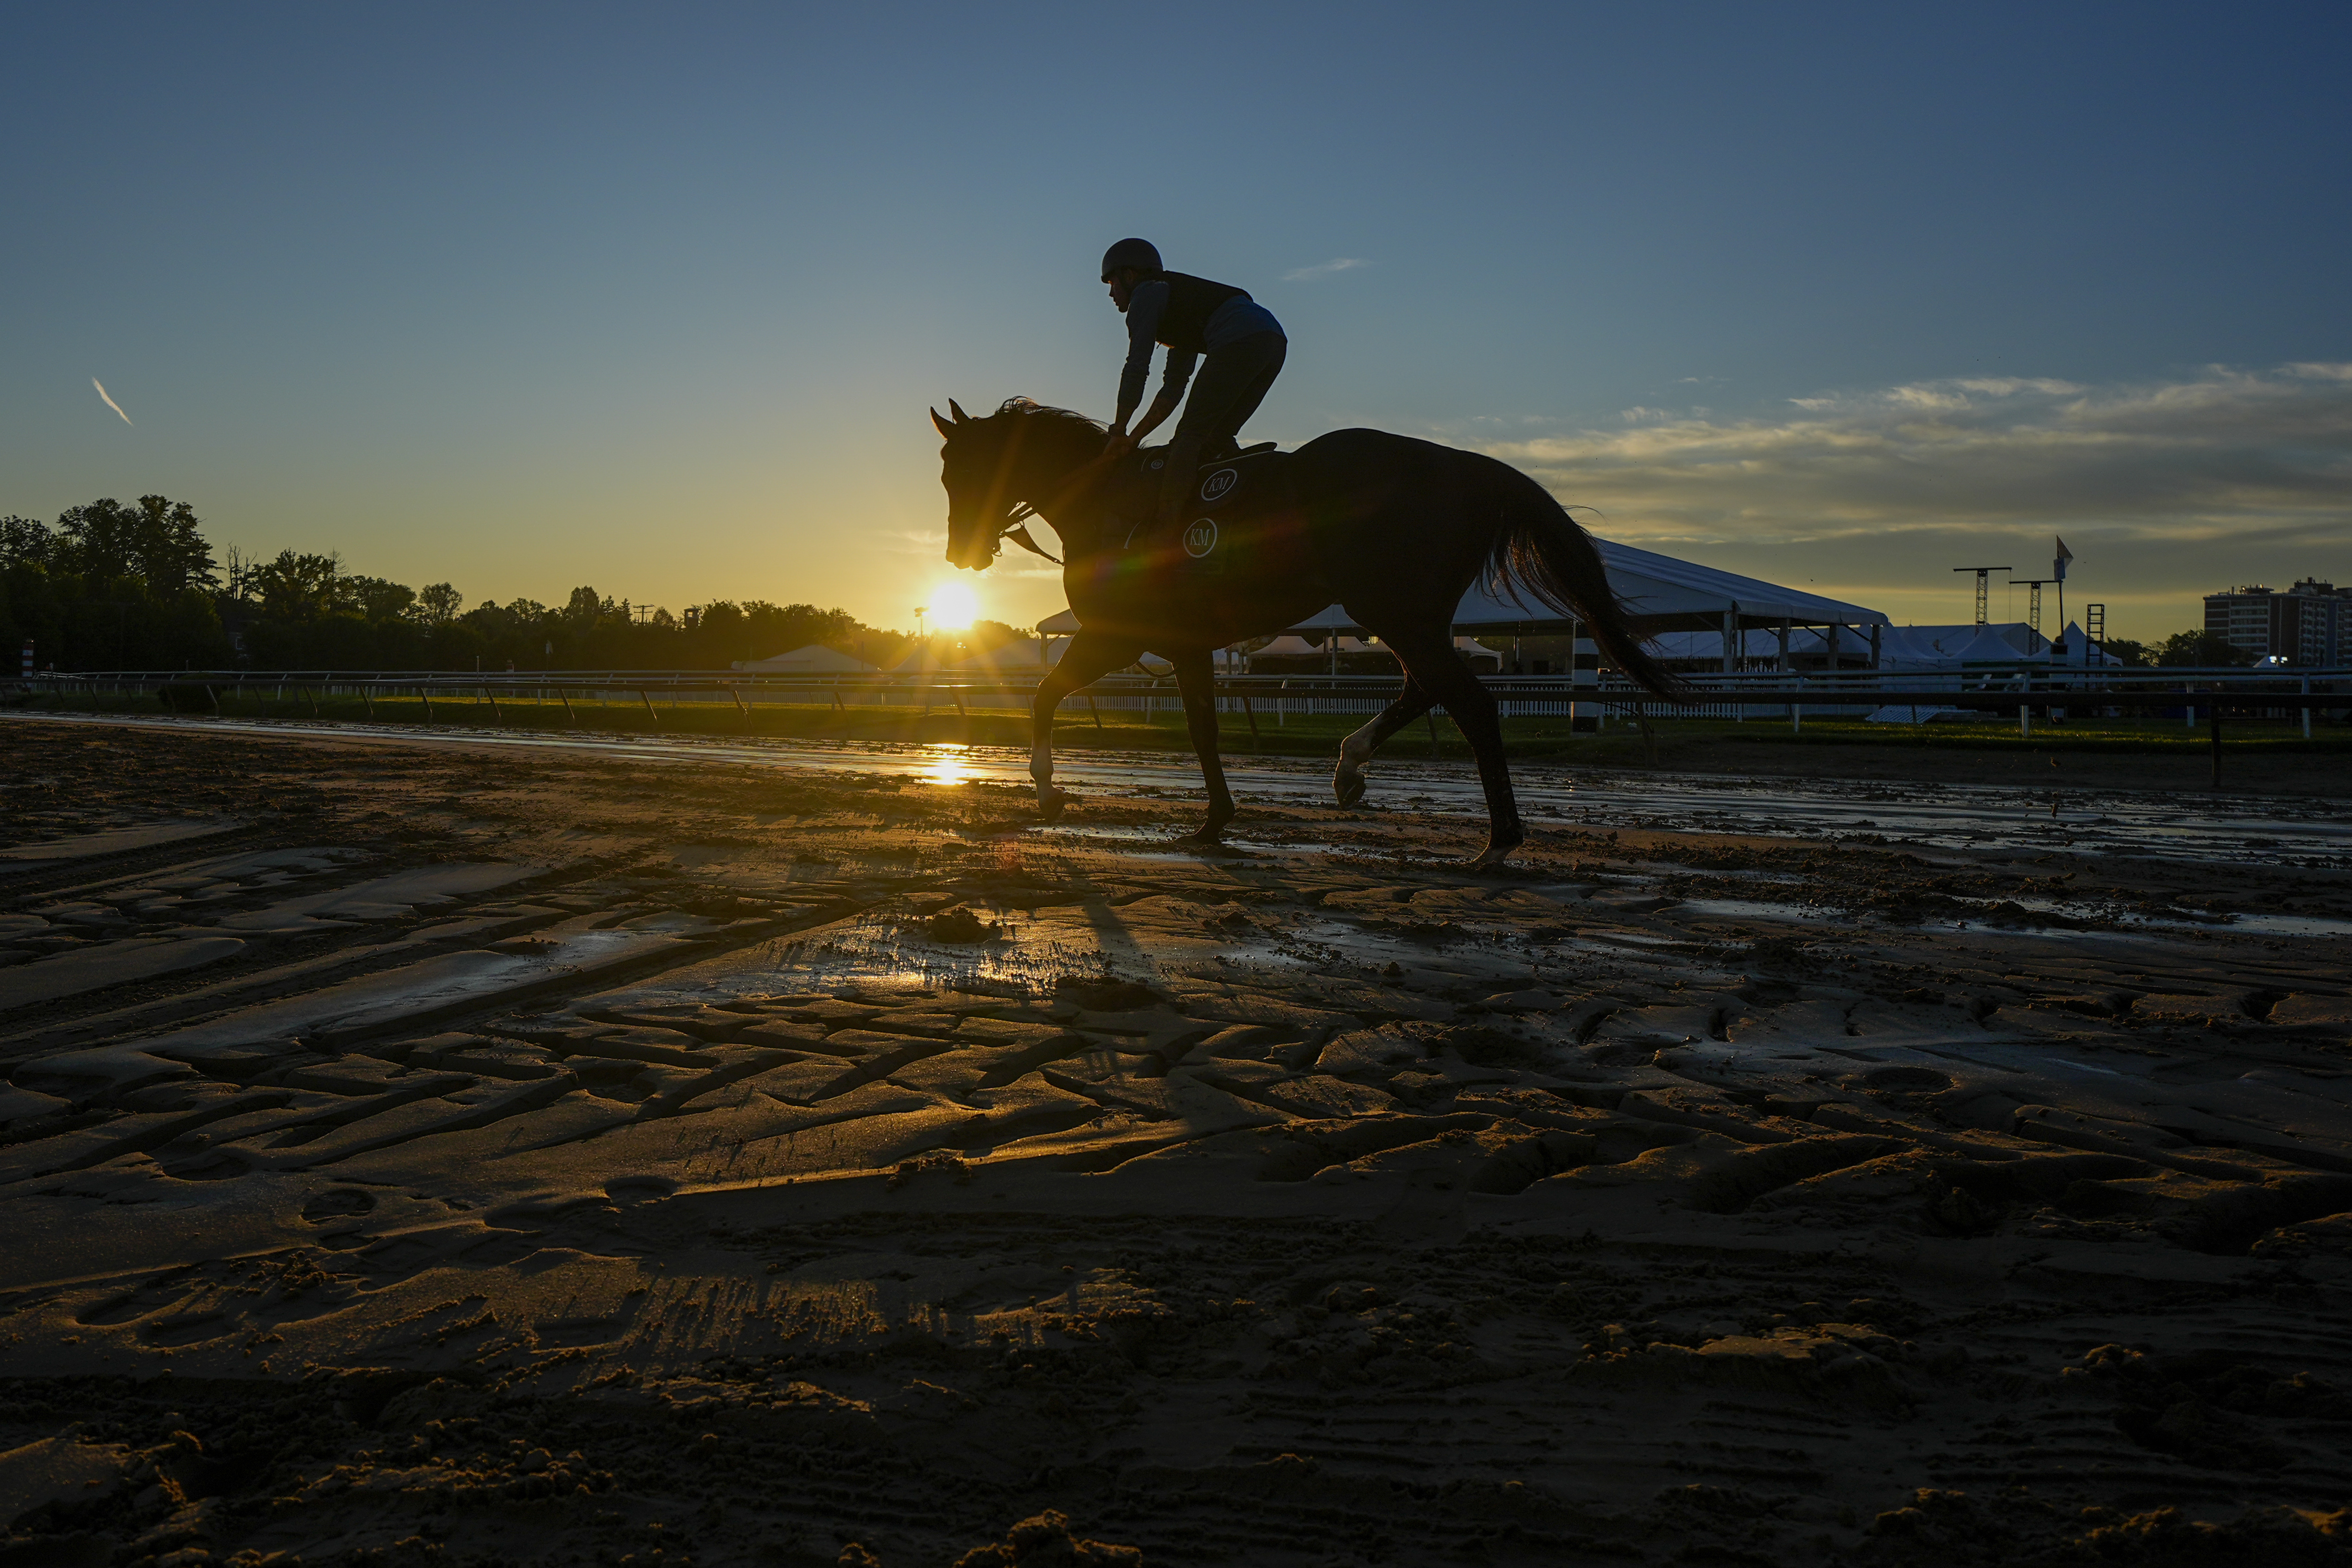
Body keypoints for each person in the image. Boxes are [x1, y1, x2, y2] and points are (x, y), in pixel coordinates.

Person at [1097, 239, 1286, 526]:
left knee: (1190, 435)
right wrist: (1133, 440)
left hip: (1241, 339)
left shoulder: (1146, 296)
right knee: (1216, 437)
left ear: (1130, 276)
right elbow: (1173, 390)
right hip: (1273, 341)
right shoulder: (1177, 305)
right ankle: (1232, 512)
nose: (1111, 294)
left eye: (1112, 283)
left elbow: (1136, 368)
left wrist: (1118, 430)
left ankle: (1165, 528)